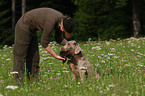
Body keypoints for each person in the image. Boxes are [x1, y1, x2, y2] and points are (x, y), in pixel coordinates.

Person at [13, 8, 75, 82]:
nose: (62, 30)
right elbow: (44, 42)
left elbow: (59, 39)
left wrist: (72, 46)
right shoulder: (51, 22)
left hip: (32, 30)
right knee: (20, 56)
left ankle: (34, 83)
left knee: (34, 57)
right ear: (61, 24)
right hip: (23, 26)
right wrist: (55, 55)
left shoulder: (62, 21)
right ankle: (17, 83)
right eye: (63, 29)